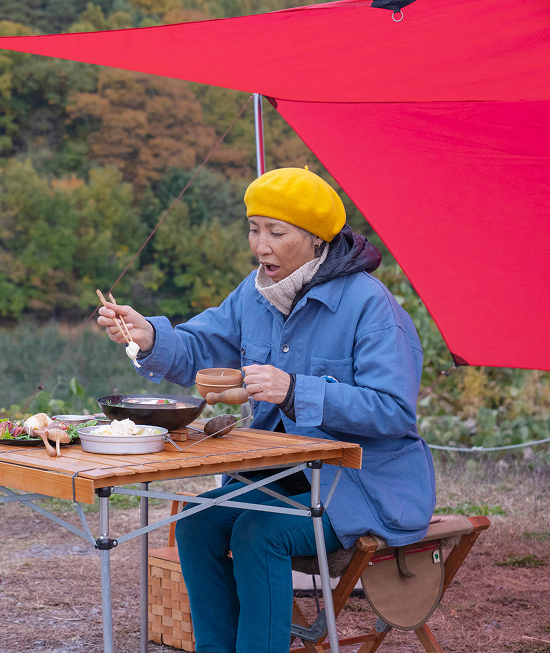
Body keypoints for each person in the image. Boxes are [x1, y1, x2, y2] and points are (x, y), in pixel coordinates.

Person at [97, 168, 435, 653]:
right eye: (254, 229)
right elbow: (199, 346)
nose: (261, 245)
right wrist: (149, 335)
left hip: (365, 486)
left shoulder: (371, 306)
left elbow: (393, 411)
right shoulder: (253, 293)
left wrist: (296, 390)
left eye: (276, 232)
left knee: (259, 534)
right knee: (195, 524)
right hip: (282, 474)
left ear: (317, 239)